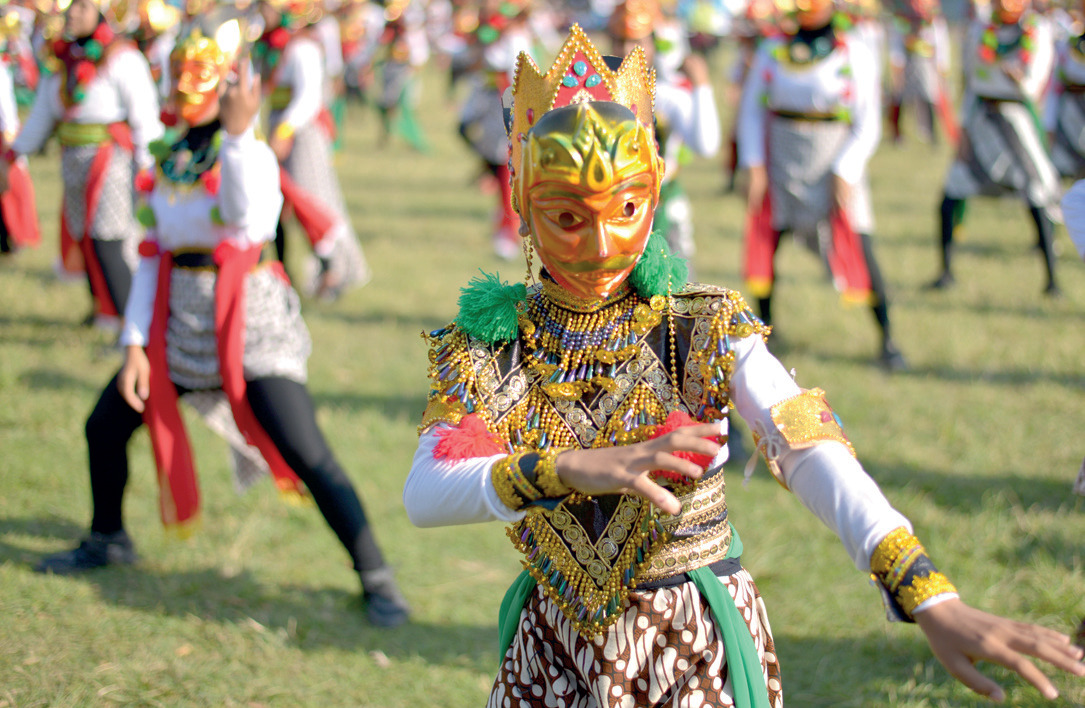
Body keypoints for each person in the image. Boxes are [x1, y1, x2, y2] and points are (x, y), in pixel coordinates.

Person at [403, 25, 1085, 706]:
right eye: (568, 217)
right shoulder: (491, 343)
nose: (603, 244)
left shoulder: (701, 326)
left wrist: (921, 588)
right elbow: (426, 490)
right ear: (523, 201)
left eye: (627, 208)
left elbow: (806, 443)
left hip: (688, 645)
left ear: (654, 188)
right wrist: (573, 468)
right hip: (551, 649)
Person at [34, 11, 410, 629]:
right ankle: (108, 537)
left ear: (229, 81)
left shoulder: (251, 152)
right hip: (177, 323)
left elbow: (245, 220)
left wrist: (237, 136)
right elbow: (152, 255)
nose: (186, 83)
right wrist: (134, 346)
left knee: (307, 450)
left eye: (200, 73)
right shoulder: (169, 153)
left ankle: (377, 577)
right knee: (104, 426)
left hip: (248, 322)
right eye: (178, 71)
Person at [736, 0, 905, 370]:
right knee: (769, 246)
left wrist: (847, 169)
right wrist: (754, 164)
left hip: (833, 162)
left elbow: (868, 121)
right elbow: (751, 110)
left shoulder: (853, 50)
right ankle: (766, 333)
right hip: (780, 158)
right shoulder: (772, 49)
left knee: (860, 245)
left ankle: (888, 340)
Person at [2, 0, 162, 330]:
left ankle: (130, 325)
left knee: (109, 238)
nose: (72, 13)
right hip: (72, 156)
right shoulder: (61, 58)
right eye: (71, 6)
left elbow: (145, 117)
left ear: (103, 12)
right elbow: (44, 115)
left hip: (110, 159)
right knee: (85, 236)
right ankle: (101, 309)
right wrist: (13, 153)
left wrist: (148, 167)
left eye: (83, 6)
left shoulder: (122, 57)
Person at [931, 0, 1062, 295]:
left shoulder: (1036, 31)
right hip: (981, 119)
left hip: (1017, 122)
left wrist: (1020, 80)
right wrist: (963, 130)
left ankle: (1052, 279)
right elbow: (972, 83)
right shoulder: (980, 30)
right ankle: (945, 271)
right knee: (952, 192)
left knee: (1037, 194)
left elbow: (1034, 83)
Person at [253, 0, 369, 301]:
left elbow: (307, 98)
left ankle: (338, 269)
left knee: (314, 200)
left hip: (302, 134)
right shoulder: (272, 47)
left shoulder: (303, 48)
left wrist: (284, 131)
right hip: (281, 130)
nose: (261, 13)